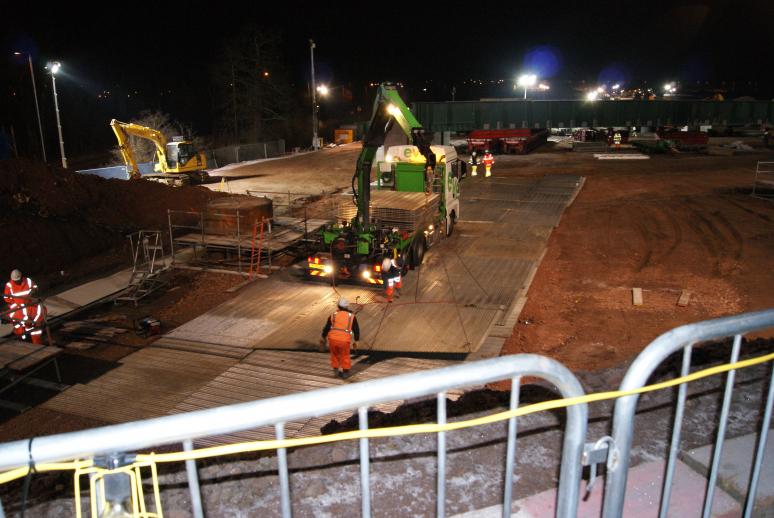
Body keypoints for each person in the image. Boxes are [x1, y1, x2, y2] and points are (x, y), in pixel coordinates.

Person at [320, 297, 360, 378]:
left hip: (332, 339)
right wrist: (356, 340)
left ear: (338, 306)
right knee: (345, 355)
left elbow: (327, 327)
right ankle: (345, 373)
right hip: (344, 340)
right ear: (347, 306)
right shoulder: (351, 316)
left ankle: (336, 371)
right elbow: (356, 329)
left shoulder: (333, 315)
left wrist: (323, 337)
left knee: (334, 355)